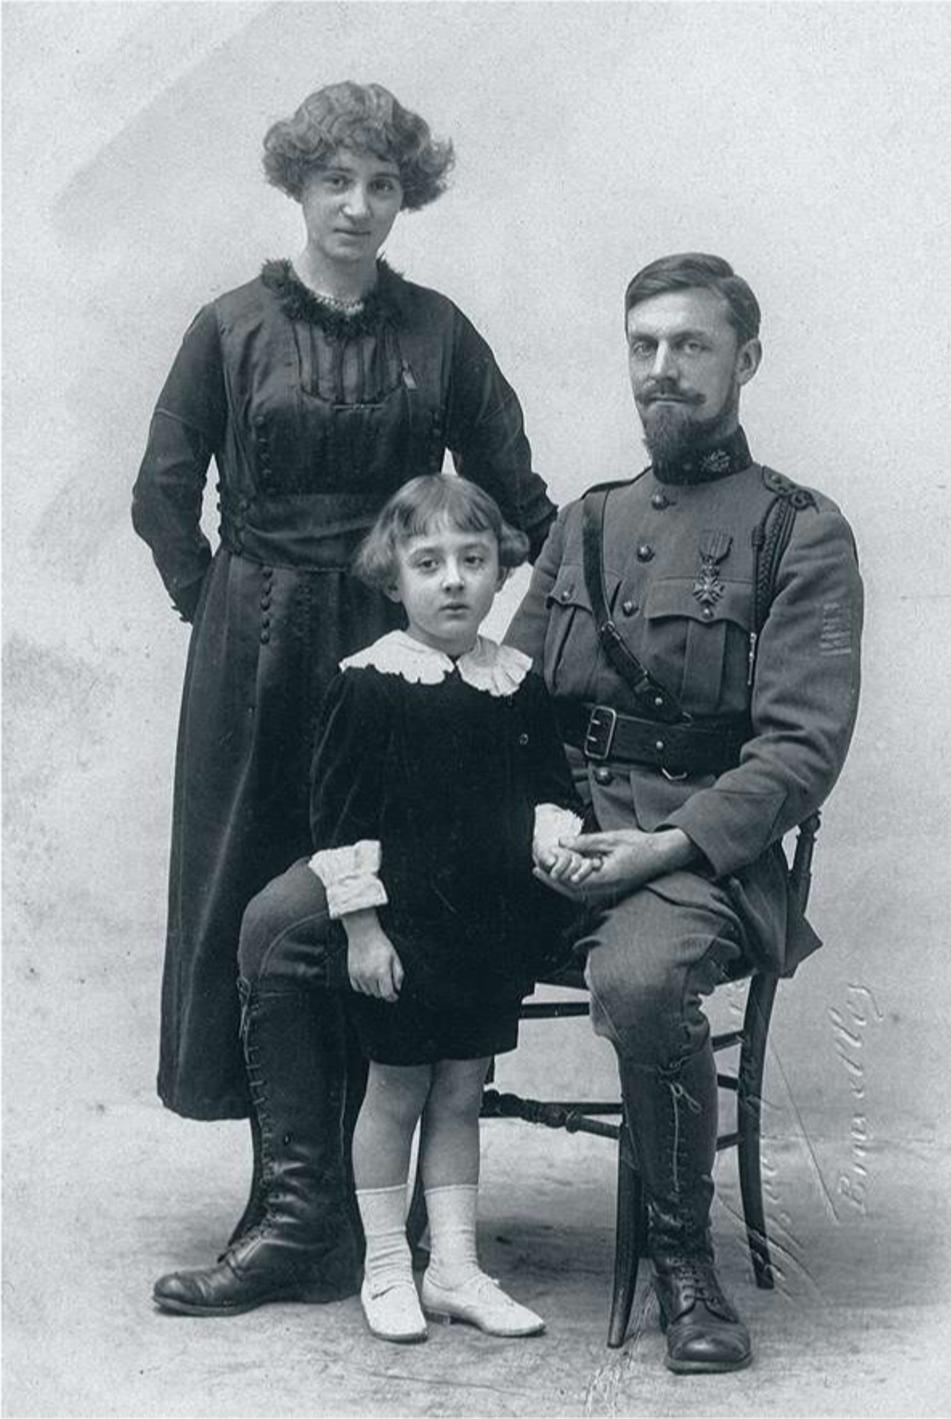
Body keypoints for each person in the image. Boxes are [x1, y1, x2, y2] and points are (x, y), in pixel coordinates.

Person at [133, 82, 556, 1301]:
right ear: (297, 187)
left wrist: (465, 629)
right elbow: (163, 496)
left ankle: (382, 1219)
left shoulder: (439, 334)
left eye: (382, 184)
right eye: (336, 182)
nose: (359, 206)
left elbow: (517, 503)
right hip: (252, 655)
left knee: (388, 904)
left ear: (404, 195)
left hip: (395, 653)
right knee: (262, 914)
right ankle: (290, 1210)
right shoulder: (226, 327)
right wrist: (218, 609)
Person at [505, 253, 863, 1373]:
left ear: (744, 360)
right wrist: (531, 821)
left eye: (689, 346)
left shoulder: (796, 530)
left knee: (645, 979)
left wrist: (667, 843)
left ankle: (682, 1264)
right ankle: (331, 1223)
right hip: (556, 841)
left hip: (692, 857)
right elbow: (503, 705)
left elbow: (801, 749)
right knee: (296, 921)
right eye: (643, 346)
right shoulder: (586, 519)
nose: (661, 370)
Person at [154, 477, 590, 1331]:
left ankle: (454, 1269)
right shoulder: (370, 681)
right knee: (395, 1091)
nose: (454, 580)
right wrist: (361, 929)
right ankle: (387, 1265)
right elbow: (340, 821)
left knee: (462, 1091)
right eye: (429, 564)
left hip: (487, 928)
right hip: (403, 931)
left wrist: (554, 839)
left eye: (473, 560)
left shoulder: (517, 682)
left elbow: (546, 789)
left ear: (502, 572)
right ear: (394, 579)